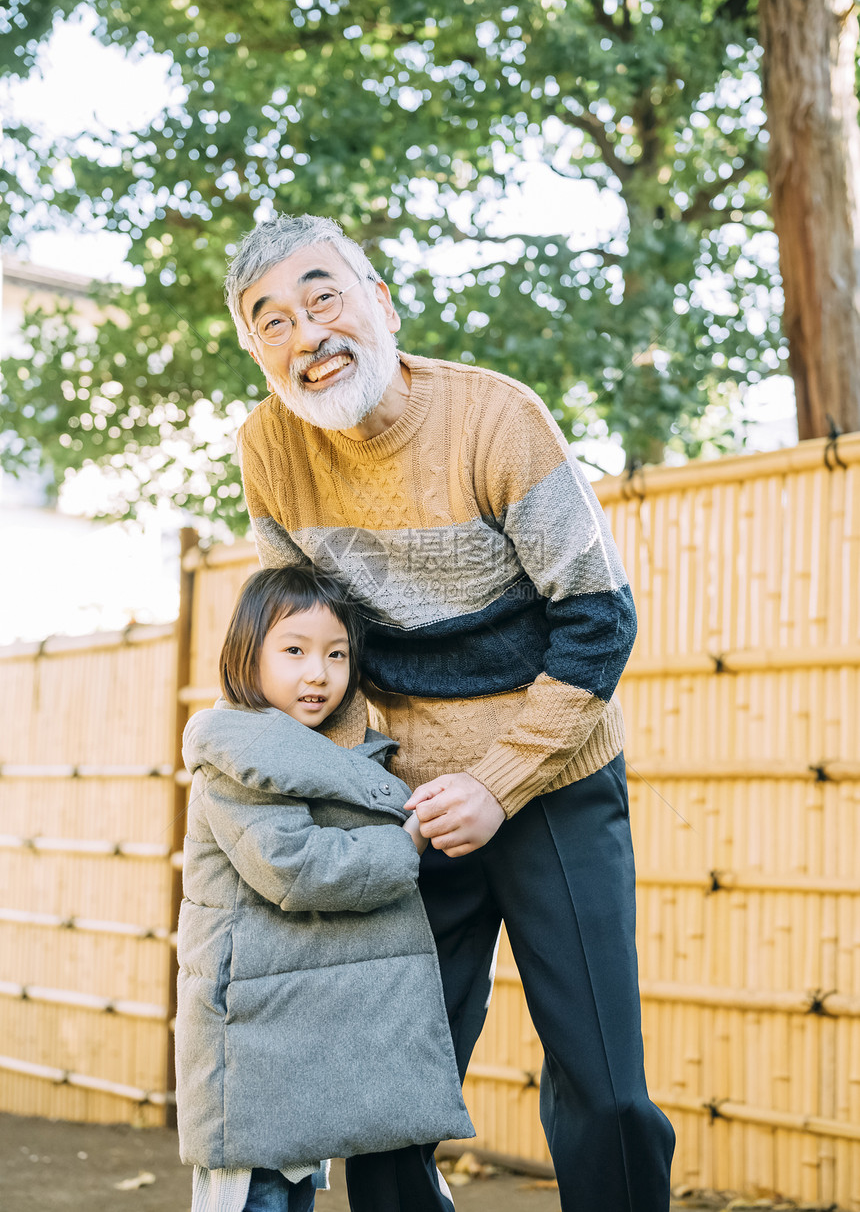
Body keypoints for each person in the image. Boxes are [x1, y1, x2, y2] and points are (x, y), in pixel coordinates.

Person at [224, 213, 676, 1212]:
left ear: (378, 302)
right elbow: (313, 652)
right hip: (406, 803)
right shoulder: (266, 449)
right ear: (258, 354)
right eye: (272, 322)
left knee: (604, 1094)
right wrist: (363, 788)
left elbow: (599, 621)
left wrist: (496, 781)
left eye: (323, 295)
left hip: (554, 781)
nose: (307, 333)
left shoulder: (494, 418)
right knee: (385, 1092)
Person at [175, 565, 473, 1212]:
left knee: (288, 1185)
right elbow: (295, 865)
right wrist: (405, 843)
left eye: (336, 654)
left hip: (288, 1034)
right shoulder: (238, 755)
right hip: (247, 1033)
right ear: (245, 655)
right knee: (250, 1192)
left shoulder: (319, 751)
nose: (318, 672)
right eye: (295, 650)